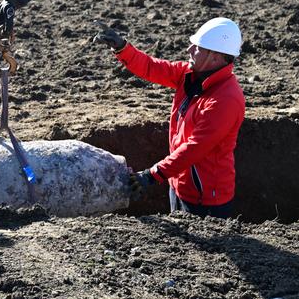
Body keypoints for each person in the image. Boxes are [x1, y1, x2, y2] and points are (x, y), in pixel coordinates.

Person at [97, 18, 245, 218]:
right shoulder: (189, 74)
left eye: (197, 47)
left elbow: (195, 148)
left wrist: (151, 175)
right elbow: (151, 67)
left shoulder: (226, 99)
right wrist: (122, 48)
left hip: (205, 200)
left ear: (215, 57)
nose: (189, 50)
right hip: (178, 185)